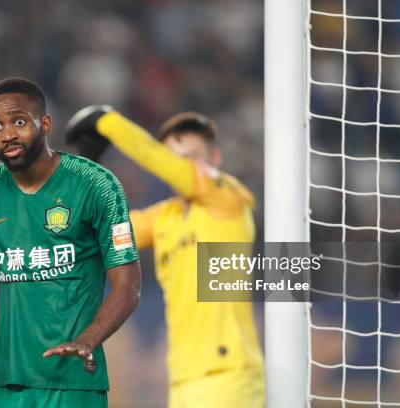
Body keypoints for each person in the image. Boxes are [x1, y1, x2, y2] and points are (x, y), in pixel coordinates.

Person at [0, 78, 141, 408]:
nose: (7, 134)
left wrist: (86, 340)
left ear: (45, 124)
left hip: (74, 382)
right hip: (9, 382)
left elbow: (128, 286)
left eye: (19, 122)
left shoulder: (96, 184)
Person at [66, 107, 264, 407]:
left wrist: (107, 122)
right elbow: (95, 231)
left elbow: (152, 156)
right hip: (182, 379)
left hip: (228, 374)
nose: (179, 167)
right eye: (174, 159)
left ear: (215, 158)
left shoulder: (230, 201)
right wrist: (87, 169)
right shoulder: (164, 219)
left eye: (190, 157)